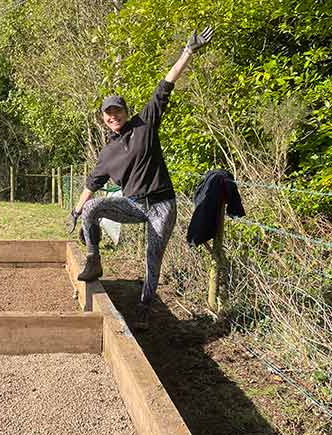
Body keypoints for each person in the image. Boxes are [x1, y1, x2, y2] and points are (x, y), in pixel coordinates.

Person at [67, 27, 214, 330]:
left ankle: (145, 309)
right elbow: (92, 183)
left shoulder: (144, 124)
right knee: (94, 207)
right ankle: (94, 261)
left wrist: (187, 51)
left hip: (161, 204)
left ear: (125, 111)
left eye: (117, 110)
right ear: (103, 118)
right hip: (133, 205)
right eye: (108, 113)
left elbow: (166, 84)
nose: (113, 116)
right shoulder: (107, 151)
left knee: (152, 256)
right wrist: (77, 210)